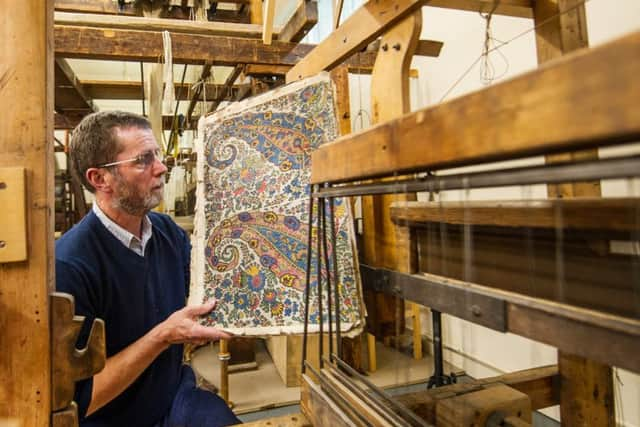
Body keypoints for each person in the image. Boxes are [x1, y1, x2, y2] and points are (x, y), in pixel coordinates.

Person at [56, 111, 241, 427]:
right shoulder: (70, 265)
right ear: (100, 179)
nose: (161, 167)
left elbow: (194, 305)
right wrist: (163, 336)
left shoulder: (167, 232)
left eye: (157, 154)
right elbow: (82, 400)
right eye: (143, 160)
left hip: (174, 397)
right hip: (112, 418)